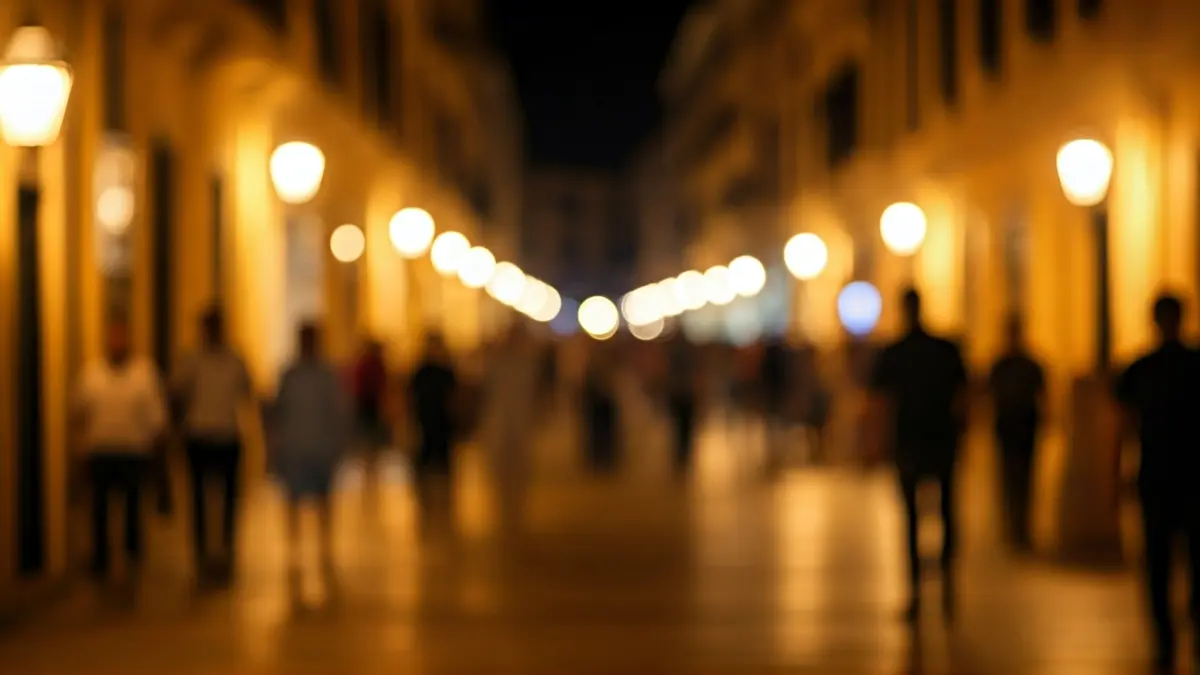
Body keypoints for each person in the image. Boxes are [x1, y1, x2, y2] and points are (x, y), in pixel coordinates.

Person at [868, 289, 968, 623]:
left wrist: (879, 445)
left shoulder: (895, 352)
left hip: (911, 442)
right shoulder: (945, 349)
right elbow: (965, 395)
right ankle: (946, 589)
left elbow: (880, 403)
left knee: (912, 520)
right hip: (941, 441)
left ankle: (917, 591)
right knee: (946, 515)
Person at [1114, 294, 1200, 674]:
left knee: (1164, 566)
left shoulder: (1142, 369)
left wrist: (1116, 475)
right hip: (1177, 479)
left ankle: (1169, 642)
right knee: (1170, 564)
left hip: (1170, 479)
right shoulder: (1175, 366)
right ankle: (1174, 640)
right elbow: (1126, 426)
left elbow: (1125, 426)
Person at [72, 314, 168, 585]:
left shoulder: (144, 373)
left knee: (132, 509)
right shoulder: (91, 374)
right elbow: (78, 413)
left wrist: (159, 462)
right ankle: (100, 559)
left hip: (133, 452)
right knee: (99, 509)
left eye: (121, 336)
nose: (116, 341)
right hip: (100, 451)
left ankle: (132, 555)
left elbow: (156, 418)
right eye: (112, 336)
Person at [267, 323, 351, 598]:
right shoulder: (290, 375)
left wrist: (338, 447)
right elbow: (278, 411)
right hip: (295, 448)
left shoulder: (327, 375)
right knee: (293, 501)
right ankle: (295, 549)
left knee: (323, 501)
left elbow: (337, 411)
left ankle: (324, 549)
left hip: (320, 448)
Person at [172, 307, 252, 587]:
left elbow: (247, 391)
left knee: (230, 500)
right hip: (199, 435)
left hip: (228, 436)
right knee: (198, 501)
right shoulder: (191, 360)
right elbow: (178, 395)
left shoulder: (235, 360)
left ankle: (227, 552)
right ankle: (202, 555)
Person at [987, 316, 1045, 552]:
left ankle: (1021, 527)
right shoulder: (1003, 365)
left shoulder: (1025, 365)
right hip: (1009, 427)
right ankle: (1014, 527)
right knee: (1011, 477)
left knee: (1023, 478)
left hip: (1023, 426)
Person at [409, 333, 459, 528]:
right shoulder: (421, 371)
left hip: (443, 423)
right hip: (425, 422)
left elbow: (454, 397)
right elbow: (411, 396)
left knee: (444, 464)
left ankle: (445, 506)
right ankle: (424, 505)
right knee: (425, 461)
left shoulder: (445, 371)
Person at [350, 339, 390, 482]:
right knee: (368, 432)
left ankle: (371, 459)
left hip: (372, 403)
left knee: (371, 433)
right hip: (367, 402)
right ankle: (368, 459)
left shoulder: (372, 365)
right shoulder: (368, 365)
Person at [666, 335, 698, 476]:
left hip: (680, 393)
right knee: (684, 426)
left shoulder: (674, 352)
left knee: (681, 426)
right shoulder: (688, 353)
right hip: (683, 393)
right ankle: (683, 453)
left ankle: (681, 453)